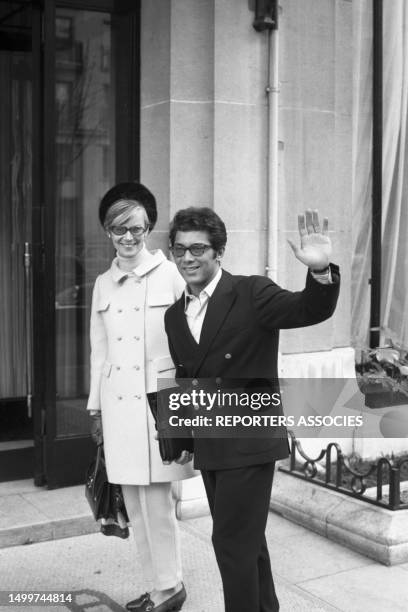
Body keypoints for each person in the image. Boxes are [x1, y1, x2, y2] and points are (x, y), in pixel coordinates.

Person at [164, 207, 340, 612]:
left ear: (219, 251)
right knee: (247, 542)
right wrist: (184, 435)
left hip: (249, 442)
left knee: (230, 543)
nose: (187, 258)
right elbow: (188, 378)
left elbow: (308, 310)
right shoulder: (175, 316)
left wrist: (320, 272)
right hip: (212, 445)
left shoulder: (252, 292)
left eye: (198, 248)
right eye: (179, 250)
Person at [87, 182, 195, 612]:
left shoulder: (171, 273)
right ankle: (157, 588)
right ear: (108, 232)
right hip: (117, 409)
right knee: (133, 502)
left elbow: (192, 339)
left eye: (136, 228)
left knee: (159, 504)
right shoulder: (102, 283)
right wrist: (94, 407)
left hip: (158, 406)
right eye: (118, 230)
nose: (128, 238)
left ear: (149, 228)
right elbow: (100, 351)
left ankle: (170, 588)